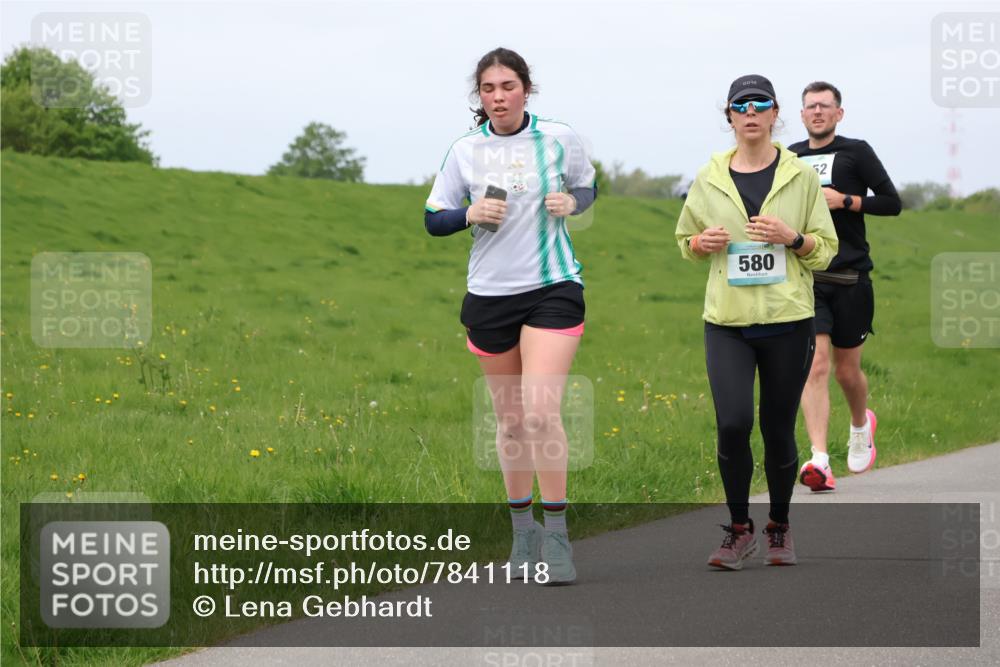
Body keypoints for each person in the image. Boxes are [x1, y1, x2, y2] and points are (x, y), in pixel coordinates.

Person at [424, 47, 597, 584]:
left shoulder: (559, 137)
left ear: (527, 89)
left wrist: (575, 203)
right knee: (512, 423)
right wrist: (468, 213)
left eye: (508, 86)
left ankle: (559, 537)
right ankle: (522, 536)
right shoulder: (464, 150)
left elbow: (587, 186)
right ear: (479, 97)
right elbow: (433, 220)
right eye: (488, 89)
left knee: (542, 414)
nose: (498, 97)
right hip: (490, 295)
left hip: (553, 287)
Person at [675, 74, 838, 570]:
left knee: (776, 428)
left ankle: (779, 526)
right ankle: (738, 528)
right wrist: (700, 245)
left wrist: (792, 237)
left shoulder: (802, 176)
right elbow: (686, 240)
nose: (750, 112)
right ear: (729, 115)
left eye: (759, 104)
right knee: (732, 423)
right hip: (727, 321)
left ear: (774, 114)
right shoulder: (708, 178)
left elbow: (826, 252)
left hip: (788, 321)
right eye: (740, 105)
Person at [789, 82, 902, 492]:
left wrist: (847, 201)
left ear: (839, 113)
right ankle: (819, 459)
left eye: (824, 105)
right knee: (815, 366)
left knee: (847, 372)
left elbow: (892, 202)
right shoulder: (791, 158)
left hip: (852, 277)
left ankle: (860, 425)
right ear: (801, 115)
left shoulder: (857, 152)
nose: (817, 112)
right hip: (809, 278)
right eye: (810, 106)